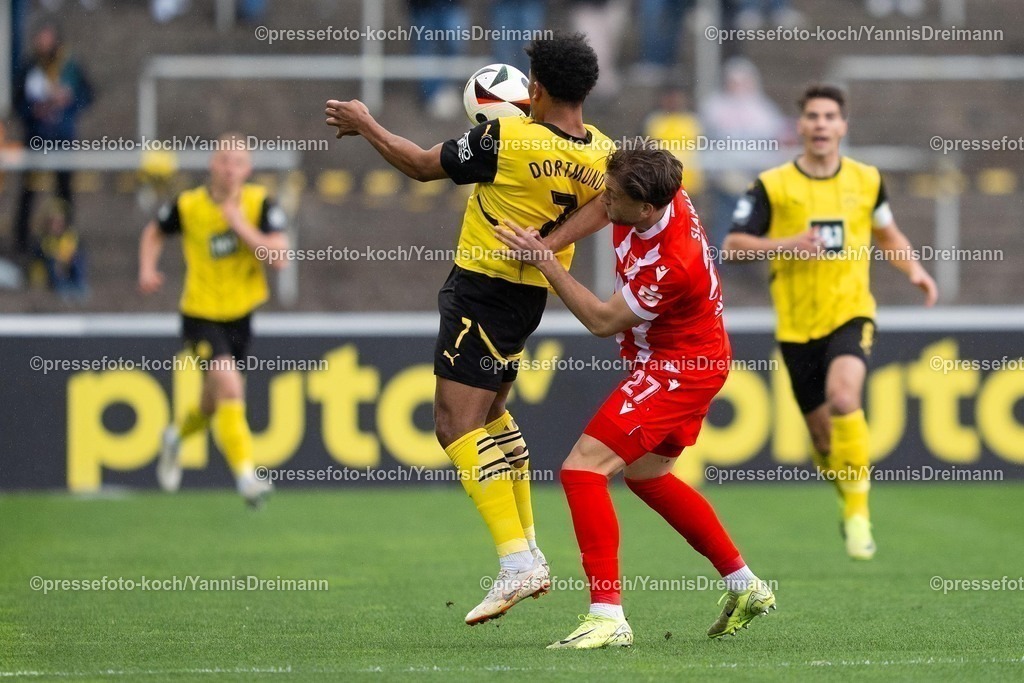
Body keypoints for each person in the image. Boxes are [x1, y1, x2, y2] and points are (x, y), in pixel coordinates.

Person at [325, 32, 613, 626]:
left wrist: (366, 124)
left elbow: (419, 165)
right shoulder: (604, 153)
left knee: (454, 425)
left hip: (483, 290)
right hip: (530, 296)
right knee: (492, 416)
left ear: (536, 89)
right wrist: (549, 246)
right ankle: (528, 548)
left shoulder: (504, 136)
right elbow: (609, 205)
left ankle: (515, 561)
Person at [493, 146, 775, 649]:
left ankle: (607, 617)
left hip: (679, 368)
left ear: (645, 208)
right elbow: (605, 209)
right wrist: (550, 241)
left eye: (613, 196)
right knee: (648, 478)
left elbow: (602, 321)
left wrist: (545, 261)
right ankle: (745, 584)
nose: (603, 199)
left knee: (582, 470)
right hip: (692, 356)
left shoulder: (672, 263)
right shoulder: (658, 191)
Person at [722, 85, 938, 560]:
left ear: (843, 126)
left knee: (844, 397)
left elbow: (887, 233)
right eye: (813, 116)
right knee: (822, 439)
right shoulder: (773, 186)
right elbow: (732, 246)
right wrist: (787, 244)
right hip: (796, 326)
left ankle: (859, 515)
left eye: (829, 116)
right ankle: (847, 498)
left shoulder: (866, 179)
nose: (821, 124)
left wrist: (915, 269)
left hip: (850, 312)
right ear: (800, 126)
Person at [138, 135, 290, 507]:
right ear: (212, 164)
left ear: (248, 169)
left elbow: (279, 257)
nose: (230, 169)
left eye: (238, 162)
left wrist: (240, 226)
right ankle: (247, 477)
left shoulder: (259, 204)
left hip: (241, 317)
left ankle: (174, 437)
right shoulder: (188, 205)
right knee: (231, 387)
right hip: (200, 314)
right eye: (224, 160)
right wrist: (147, 269)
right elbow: (154, 231)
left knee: (211, 403)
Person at [12, 22, 93, 253]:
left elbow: (87, 94)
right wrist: (34, 110)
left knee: (64, 189)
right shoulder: (30, 67)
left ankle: (66, 238)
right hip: (36, 136)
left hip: (62, 136)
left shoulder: (70, 65)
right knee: (29, 188)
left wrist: (69, 102)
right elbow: (18, 102)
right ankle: (21, 241)